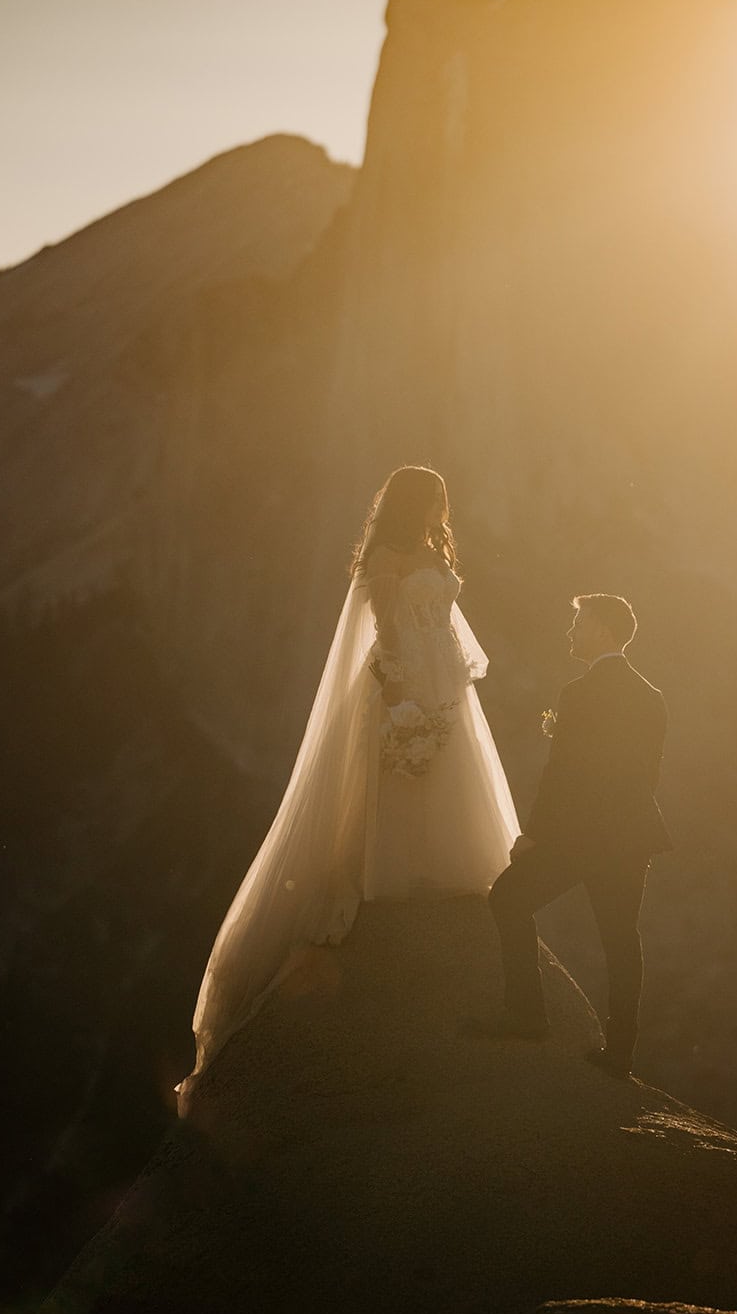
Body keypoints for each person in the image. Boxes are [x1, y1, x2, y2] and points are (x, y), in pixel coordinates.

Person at [175, 465, 519, 1112]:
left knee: (447, 773)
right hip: (400, 683)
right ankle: (391, 871)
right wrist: (405, 695)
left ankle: (441, 867)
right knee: (397, 771)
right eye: (431, 500)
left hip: (442, 681)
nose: (438, 511)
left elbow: (443, 621)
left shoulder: (430, 552)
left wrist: (442, 687)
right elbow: (387, 630)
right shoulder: (388, 556)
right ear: (411, 504)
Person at [481, 594, 671, 1078]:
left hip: (579, 838)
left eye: (579, 622)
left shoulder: (579, 693)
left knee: (507, 898)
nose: (571, 631)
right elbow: (644, 778)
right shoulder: (652, 696)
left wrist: (534, 836)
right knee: (622, 941)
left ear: (604, 631)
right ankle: (621, 1055)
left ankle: (526, 1015)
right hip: (629, 837)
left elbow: (562, 773)